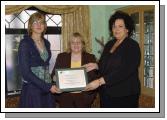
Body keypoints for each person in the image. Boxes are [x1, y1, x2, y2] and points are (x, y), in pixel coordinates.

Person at [84, 11, 141, 108]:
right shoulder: (110, 44)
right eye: (114, 26)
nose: (116, 29)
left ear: (127, 29)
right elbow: (105, 64)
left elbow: (124, 70)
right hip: (106, 93)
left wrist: (100, 81)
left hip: (125, 95)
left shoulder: (132, 46)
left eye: (120, 26)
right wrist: (96, 65)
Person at [18, 12, 61, 108]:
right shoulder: (25, 43)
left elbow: (46, 67)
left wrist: (54, 80)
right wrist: (48, 87)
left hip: (47, 90)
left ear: (44, 26)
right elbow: (25, 73)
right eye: (35, 22)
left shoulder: (47, 43)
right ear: (30, 26)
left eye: (41, 22)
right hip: (32, 90)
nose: (38, 25)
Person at [51, 32, 98, 108]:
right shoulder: (62, 57)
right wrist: (56, 79)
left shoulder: (90, 57)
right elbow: (53, 76)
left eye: (78, 42)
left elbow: (95, 77)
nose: (76, 45)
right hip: (65, 98)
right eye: (73, 42)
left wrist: (90, 95)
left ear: (83, 44)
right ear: (69, 45)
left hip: (84, 98)